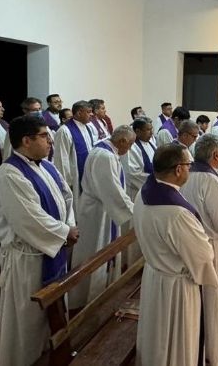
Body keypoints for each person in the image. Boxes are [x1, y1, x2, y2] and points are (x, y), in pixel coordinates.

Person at [0, 115, 78, 366]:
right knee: (27, 320)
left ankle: (49, 351)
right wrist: (64, 232)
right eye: (44, 136)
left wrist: (68, 225)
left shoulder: (46, 165)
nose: (51, 141)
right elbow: (27, 219)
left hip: (51, 249)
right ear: (26, 141)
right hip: (27, 257)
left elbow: (66, 198)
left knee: (51, 311)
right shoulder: (9, 174)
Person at [133, 144, 218, 366]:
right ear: (179, 169)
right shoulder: (177, 212)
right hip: (177, 287)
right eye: (189, 165)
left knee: (157, 338)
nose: (190, 169)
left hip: (154, 276)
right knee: (177, 342)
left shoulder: (144, 195)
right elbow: (202, 256)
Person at [181, 134, 218, 366]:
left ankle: (198, 348)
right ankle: (213, 353)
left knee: (198, 301)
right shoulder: (212, 181)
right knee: (214, 300)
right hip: (213, 248)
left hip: (191, 248)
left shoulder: (185, 175)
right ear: (217, 155)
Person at [69, 125, 136, 309]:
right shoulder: (105, 156)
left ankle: (100, 292)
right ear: (122, 141)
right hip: (96, 213)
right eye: (129, 144)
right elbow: (112, 190)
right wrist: (135, 211)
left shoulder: (103, 149)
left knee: (101, 250)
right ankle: (88, 297)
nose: (128, 149)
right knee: (94, 252)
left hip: (102, 209)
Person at [53, 100, 96, 216]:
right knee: (75, 210)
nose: (91, 114)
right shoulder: (64, 131)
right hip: (75, 179)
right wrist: (66, 183)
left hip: (87, 175)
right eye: (88, 112)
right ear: (78, 113)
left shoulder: (88, 128)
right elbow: (61, 159)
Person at [124, 117, 157, 200]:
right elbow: (133, 173)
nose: (151, 133)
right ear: (138, 131)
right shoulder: (131, 147)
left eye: (151, 129)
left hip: (154, 188)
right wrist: (157, 179)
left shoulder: (151, 143)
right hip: (137, 192)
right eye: (148, 130)